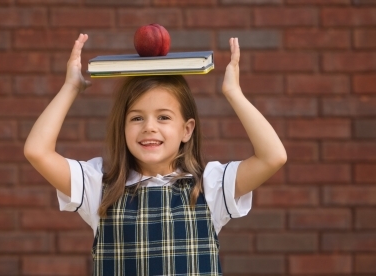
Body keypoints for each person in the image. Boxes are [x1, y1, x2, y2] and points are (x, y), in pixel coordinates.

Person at [24, 33, 287, 275]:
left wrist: (234, 93)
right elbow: (37, 151)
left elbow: (272, 157)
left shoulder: (211, 186)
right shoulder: (98, 188)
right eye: (137, 118)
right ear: (123, 128)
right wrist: (71, 87)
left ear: (187, 129)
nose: (149, 127)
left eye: (163, 117)